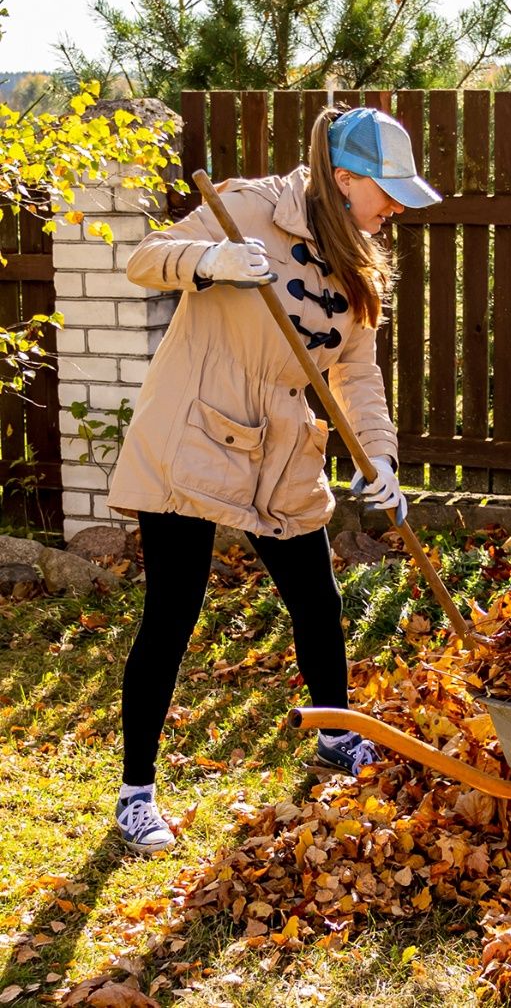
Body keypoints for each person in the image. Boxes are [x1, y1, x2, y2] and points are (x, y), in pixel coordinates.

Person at [105, 106, 442, 854]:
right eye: (386, 192)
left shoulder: (358, 253)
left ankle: (335, 739)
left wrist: (379, 458)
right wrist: (212, 262)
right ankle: (136, 795)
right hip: (193, 431)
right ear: (345, 178)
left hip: (285, 448)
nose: (393, 208)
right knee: (173, 610)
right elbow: (145, 257)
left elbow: (356, 368)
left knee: (316, 601)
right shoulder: (248, 206)